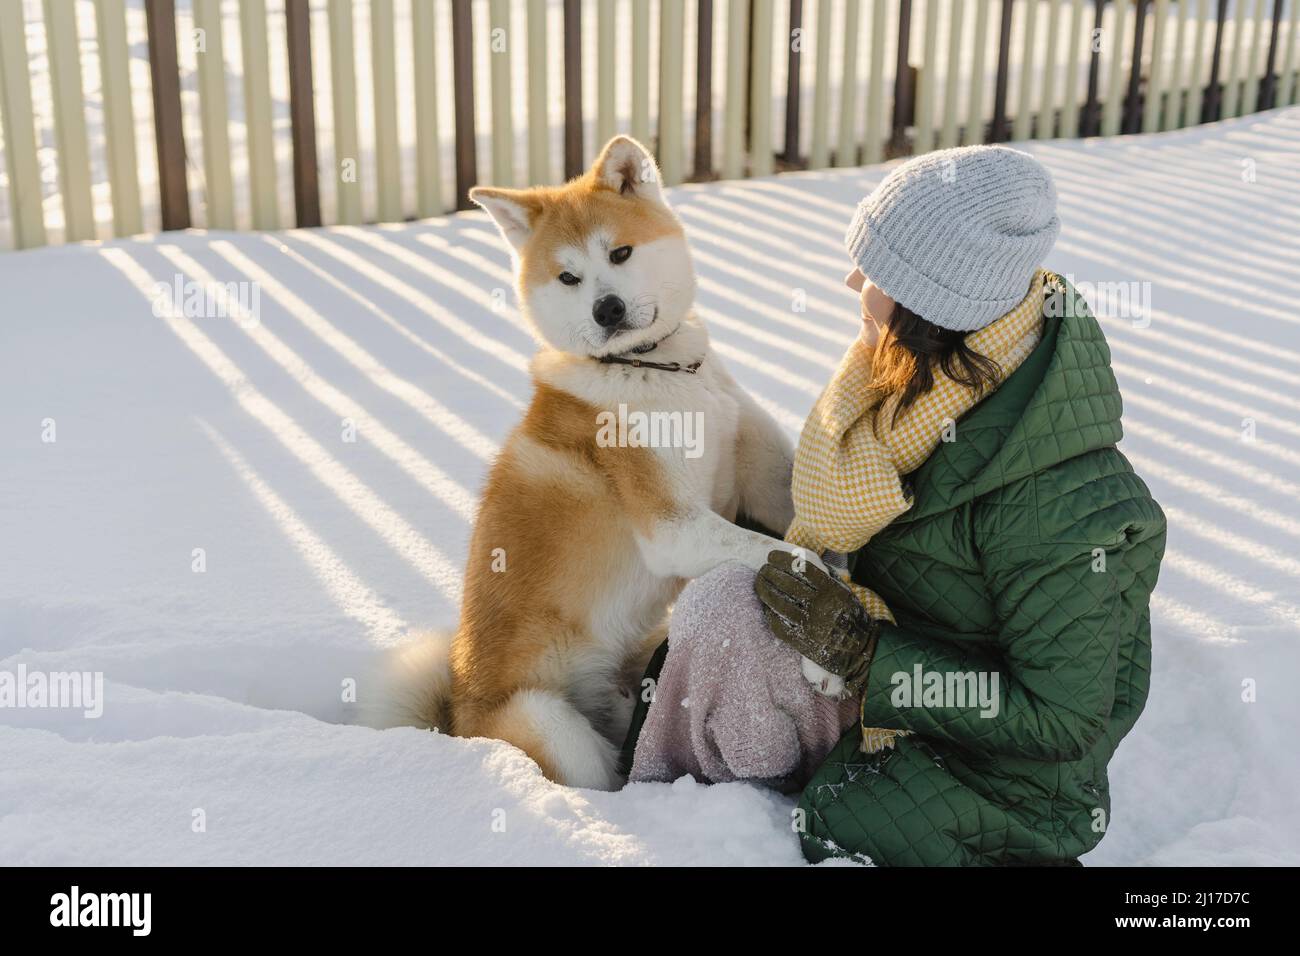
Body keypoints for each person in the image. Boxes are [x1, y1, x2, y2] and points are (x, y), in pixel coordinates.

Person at [622, 145, 1167, 866]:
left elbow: (1059, 719)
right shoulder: (919, 384)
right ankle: (675, 805)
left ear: (937, 307)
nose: (854, 282)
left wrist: (868, 657)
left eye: (878, 275)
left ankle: (699, 829)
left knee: (728, 620)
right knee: (726, 606)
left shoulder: (1064, 506)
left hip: (983, 767)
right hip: (893, 680)